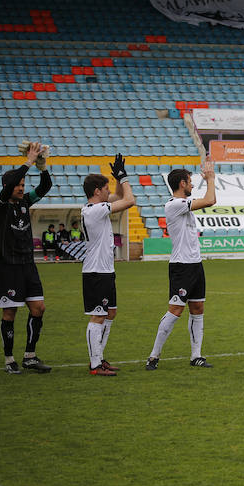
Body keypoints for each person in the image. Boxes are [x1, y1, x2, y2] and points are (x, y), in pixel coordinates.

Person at [145, 159, 217, 370]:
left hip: (195, 264)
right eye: (190, 182)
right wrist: (211, 179)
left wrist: (208, 181)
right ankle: (153, 356)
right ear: (182, 184)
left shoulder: (182, 205)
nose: (192, 185)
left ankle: (196, 356)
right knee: (175, 310)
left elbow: (207, 199)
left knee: (197, 308)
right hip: (181, 266)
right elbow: (210, 200)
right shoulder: (174, 204)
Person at [0, 142, 52, 374]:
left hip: (28, 265)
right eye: (17, 184)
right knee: (10, 313)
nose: (21, 188)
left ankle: (29, 355)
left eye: (22, 184)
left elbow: (45, 187)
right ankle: (9, 359)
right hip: (9, 266)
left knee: (38, 308)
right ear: (8, 186)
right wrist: (27, 162)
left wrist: (42, 166)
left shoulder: (26, 201)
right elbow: (6, 192)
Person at [81, 155, 135, 376]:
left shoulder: (98, 206)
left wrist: (115, 180)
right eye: (104, 189)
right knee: (98, 315)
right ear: (96, 191)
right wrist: (124, 177)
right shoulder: (93, 210)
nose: (107, 193)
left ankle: (100, 357)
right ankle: (95, 364)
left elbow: (119, 195)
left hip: (105, 270)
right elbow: (129, 200)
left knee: (110, 312)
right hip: (95, 272)